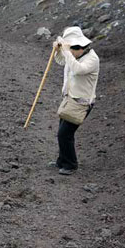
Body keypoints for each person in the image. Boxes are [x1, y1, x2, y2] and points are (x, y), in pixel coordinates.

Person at [51, 26, 100, 175]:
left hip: (81, 102)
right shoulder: (74, 55)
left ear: (82, 47)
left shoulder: (92, 59)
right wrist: (58, 51)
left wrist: (66, 52)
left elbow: (78, 70)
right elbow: (61, 61)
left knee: (64, 134)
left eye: (73, 48)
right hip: (70, 99)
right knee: (62, 132)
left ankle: (70, 165)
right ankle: (62, 160)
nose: (71, 52)